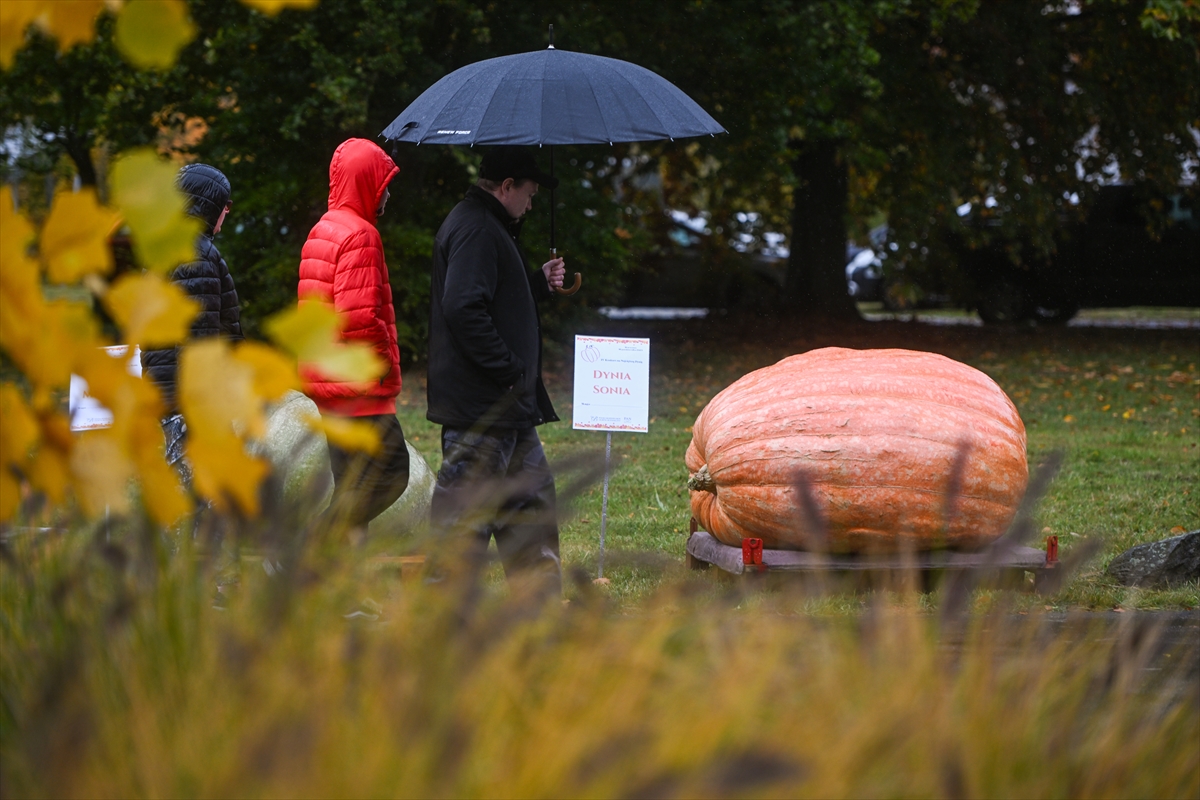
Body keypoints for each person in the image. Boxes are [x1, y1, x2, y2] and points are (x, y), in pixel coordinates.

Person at [427, 146, 567, 596]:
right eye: (528, 193)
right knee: (461, 528)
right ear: (506, 187)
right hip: (482, 410)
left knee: (531, 510)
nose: (530, 203)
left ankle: (539, 614)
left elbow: (493, 297)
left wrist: (535, 283)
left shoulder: (488, 226)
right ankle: (439, 624)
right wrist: (508, 370)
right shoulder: (476, 229)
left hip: (507, 410)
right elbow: (463, 307)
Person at [298, 138, 409, 534]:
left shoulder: (322, 229)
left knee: (351, 488)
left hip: (328, 381)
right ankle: (299, 555)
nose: (388, 193)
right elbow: (357, 320)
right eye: (383, 183)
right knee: (391, 474)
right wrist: (382, 363)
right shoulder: (361, 235)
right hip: (357, 384)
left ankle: (332, 589)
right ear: (366, 183)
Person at [141, 163, 242, 490]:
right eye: (226, 206)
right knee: (197, 490)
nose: (227, 213)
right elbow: (199, 336)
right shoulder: (195, 255)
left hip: (172, 390)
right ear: (210, 206)